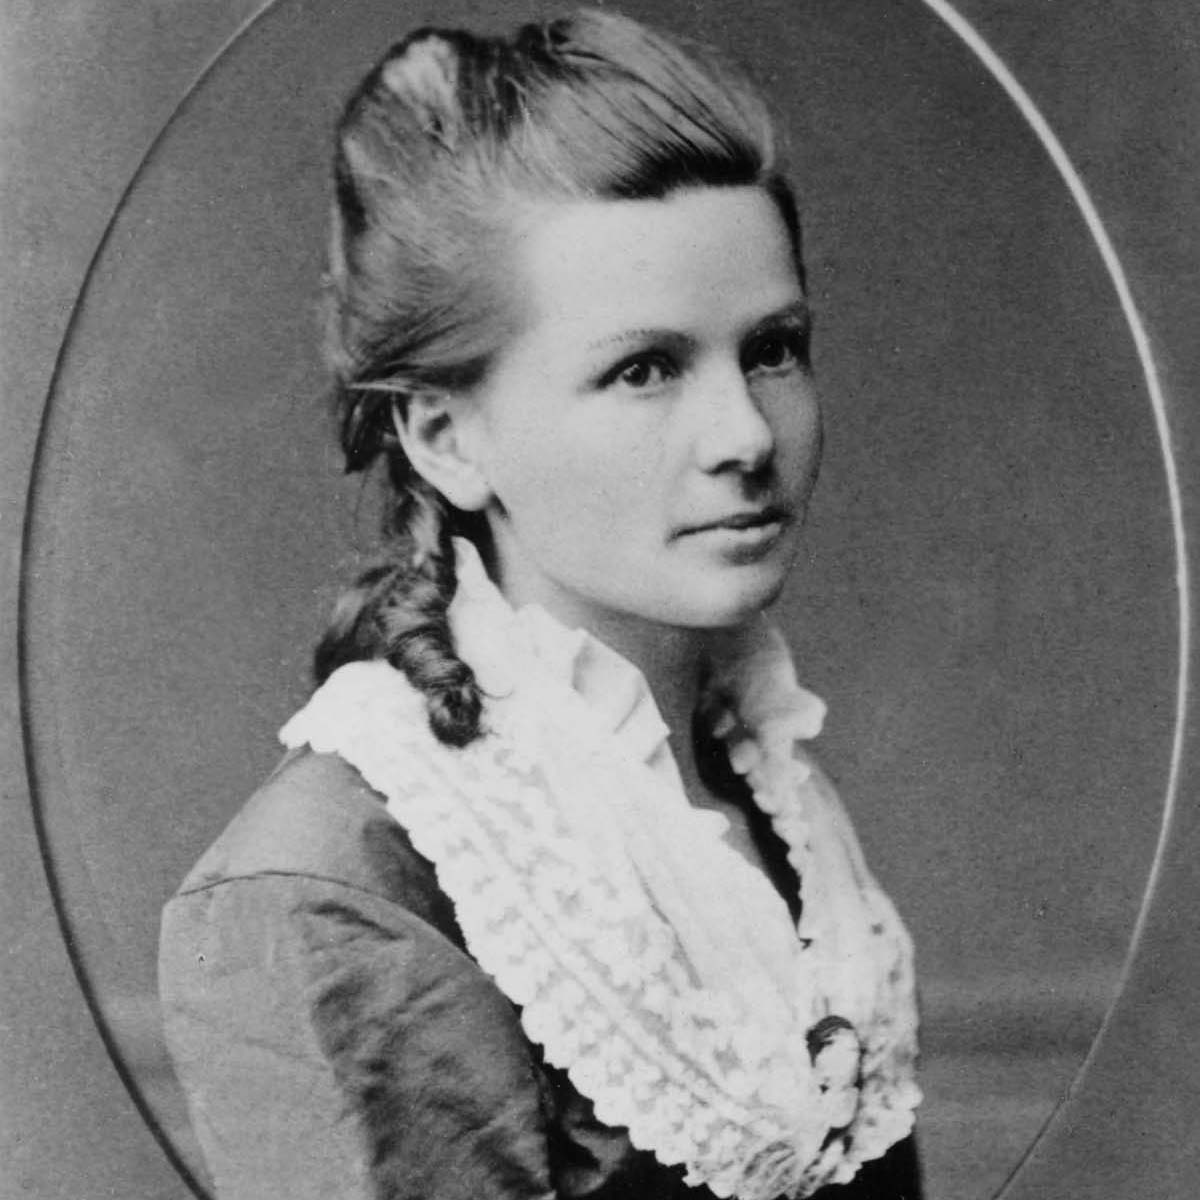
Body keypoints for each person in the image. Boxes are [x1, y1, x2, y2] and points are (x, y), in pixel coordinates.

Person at [158, 9, 922, 1199]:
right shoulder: (334, 889)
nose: (744, 436)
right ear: (446, 438)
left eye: (772, 349)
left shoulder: (770, 798)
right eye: (644, 369)